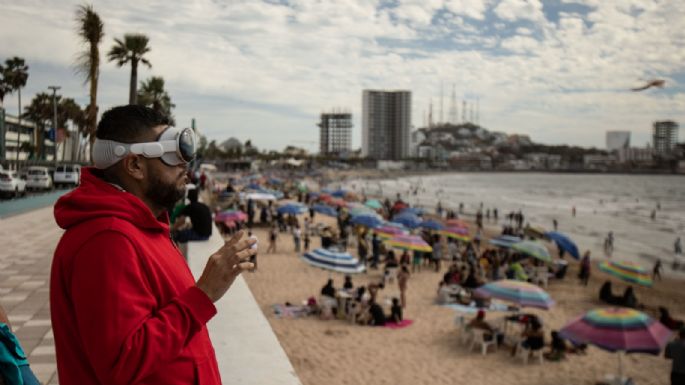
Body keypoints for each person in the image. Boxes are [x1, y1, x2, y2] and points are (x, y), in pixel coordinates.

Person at [50, 105, 256, 384]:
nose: (185, 164)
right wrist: (204, 294)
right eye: (173, 154)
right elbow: (121, 362)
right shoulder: (107, 240)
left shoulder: (142, 227)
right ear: (134, 165)